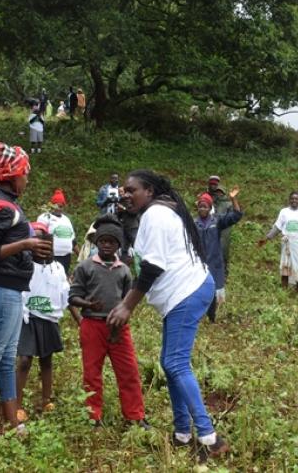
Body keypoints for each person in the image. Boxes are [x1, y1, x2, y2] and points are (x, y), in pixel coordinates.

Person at [105, 170, 230, 463]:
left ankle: (209, 437)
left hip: (185, 292)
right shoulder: (154, 213)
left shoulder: (157, 216)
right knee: (170, 362)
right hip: (183, 294)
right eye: (123, 190)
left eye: (132, 189)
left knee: (175, 362)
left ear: (149, 191)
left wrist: (127, 305)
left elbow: (152, 267)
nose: (126, 194)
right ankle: (182, 432)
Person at [0, 142, 52, 438]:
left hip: (10, 288)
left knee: (7, 357)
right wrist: (27, 244)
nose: (27, 179)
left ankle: (12, 421)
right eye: (24, 174)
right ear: (11, 174)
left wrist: (32, 252)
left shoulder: (3, 200)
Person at [68, 215, 147, 428]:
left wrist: (122, 320)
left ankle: (135, 416)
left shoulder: (123, 270)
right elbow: (72, 296)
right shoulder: (85, 267)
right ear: (96, 242)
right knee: (92, 372)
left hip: (118, 327)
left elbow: (128, 300)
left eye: (111, 242)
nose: (106, 245)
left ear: (118, 245)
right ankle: (93, 416)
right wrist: (87, 303)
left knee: (129, 371)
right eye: (102, 241)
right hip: (92, 325)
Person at [16, 222, 69, 422]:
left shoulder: (57, 268)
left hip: (49, 318)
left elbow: (64, 292)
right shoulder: (26, 266)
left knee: (47, 359)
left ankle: (47, 399)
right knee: (24, 360)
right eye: (41, 247)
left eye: (49, 248)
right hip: (28, 318)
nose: (45, 251)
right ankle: (17, 404)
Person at [194, 188, 243, 322]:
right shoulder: (194, 223)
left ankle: (212, 317)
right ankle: (199, 314)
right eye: (200, 206)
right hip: (199, 263)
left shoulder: (217, 221)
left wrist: (233, 199)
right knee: (198, 289)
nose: (202, 209)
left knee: (214, 290)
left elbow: (236, 216)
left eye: (205, 206)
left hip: (214, 261)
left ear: (210, 208)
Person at [37, 189, 76, 272]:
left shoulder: (66, 219)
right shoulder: (45, 217)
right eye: (56, 205)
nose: (58, 208)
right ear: (51, 205)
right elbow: (38, 235)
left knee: (63, 278)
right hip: (51, 256)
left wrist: (80, 255)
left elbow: (72, 240)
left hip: (66, 257)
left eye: (61, 206)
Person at [206, 175, 234, 276]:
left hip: (224, 231)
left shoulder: (228, 203)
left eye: (215, 185)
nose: (217, 193)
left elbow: (232, 216)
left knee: (223, 251)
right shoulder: (208, 199)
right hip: (209, 230)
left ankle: (224, 272)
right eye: (211, 184)